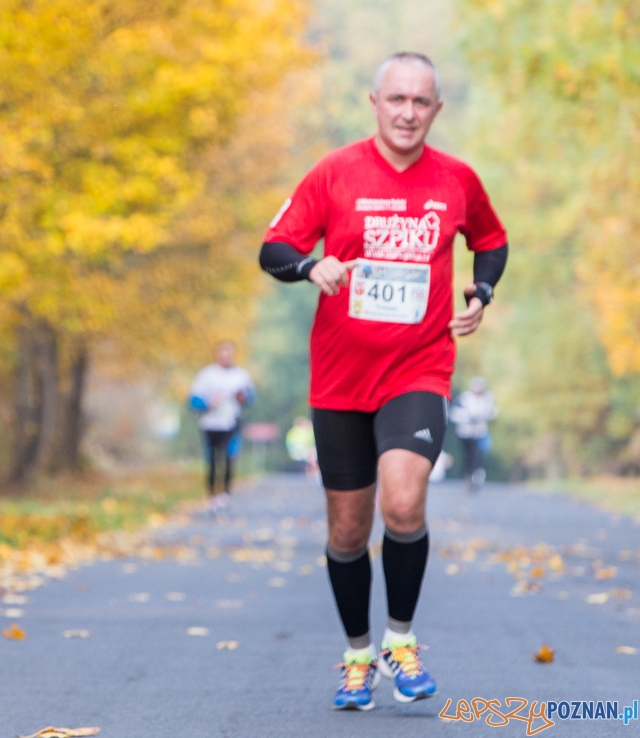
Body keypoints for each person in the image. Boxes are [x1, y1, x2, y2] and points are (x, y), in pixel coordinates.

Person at [259, 52, 508, 711]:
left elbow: (491, 238)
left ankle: (401, 639)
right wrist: (311, 267)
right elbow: (273, 248)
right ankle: (358, 654)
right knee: (347, 529)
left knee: (403, 503)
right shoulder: (335, 173)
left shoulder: (457, 179)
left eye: (420, 101)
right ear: (374, 102)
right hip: (340, 378)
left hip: (418, 367)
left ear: (436, 109)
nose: (407, 112)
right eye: (395, 98)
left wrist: (481, 290)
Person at [189, 341, 256, 510]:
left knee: (228, 457)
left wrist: (242, 397)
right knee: (211, 460)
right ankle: (212, 493)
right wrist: (207, 403)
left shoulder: (240, 375)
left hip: (231, 422)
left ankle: (226, 493)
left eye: (229, 354)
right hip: (210, 423)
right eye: (223, 353)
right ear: (217, 355)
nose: (226, 357)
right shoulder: (206, 375)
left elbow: (250, 396)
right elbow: (193, 400)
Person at [450, 376, 499, 491]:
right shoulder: (465, 398)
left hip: (480, 432)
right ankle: (468, 475)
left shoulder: (488, 398)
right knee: (467, 454)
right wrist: (467, 417)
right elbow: (454, 413)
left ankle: (476, 475)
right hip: (465, 432)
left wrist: (485, 416)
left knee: (477, 454)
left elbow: (493, 412)